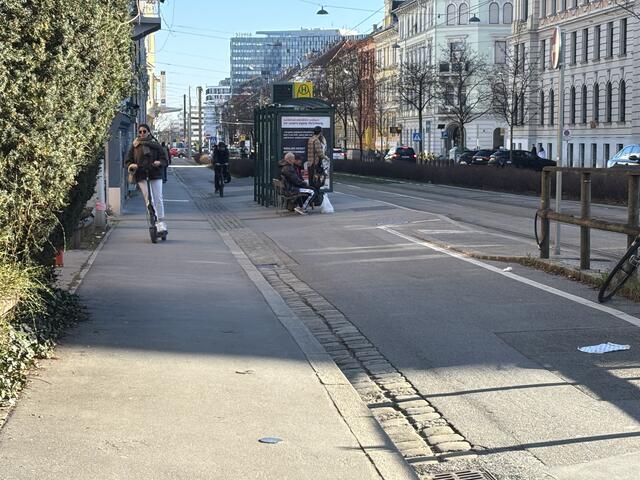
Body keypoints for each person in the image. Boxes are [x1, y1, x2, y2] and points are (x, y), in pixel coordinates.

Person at [126, 124, 169, 233]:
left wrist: (159, 162)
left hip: (155, 173)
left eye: (144, 131)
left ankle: (161, 222)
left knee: (158, 198)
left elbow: (165, 160)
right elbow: (128, 160)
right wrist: (131, 165)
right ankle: (153, 220)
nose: (142, 133)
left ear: (149, 132)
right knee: (149, 199)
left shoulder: (156, 145)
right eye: (140, 132)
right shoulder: (135, 145)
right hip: (141, 174)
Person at [306, 126, 329, 191]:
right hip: (315, 164)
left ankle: (312, 194)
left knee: (311, 182)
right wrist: (327, 158)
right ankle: (316, 195)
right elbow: (320, 154)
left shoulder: (310, 139)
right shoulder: (316, 140)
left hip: (310, 163)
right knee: (316, 182)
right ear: (320, 132)